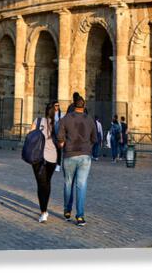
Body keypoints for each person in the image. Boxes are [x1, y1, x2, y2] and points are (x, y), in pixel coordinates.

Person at [57, 95, 97, 226]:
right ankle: (80, 217)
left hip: (69, 154)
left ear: (73, 105)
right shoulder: (90, 120)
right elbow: (95, 139)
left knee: (68, 183)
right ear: (84, 106)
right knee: (81, 185)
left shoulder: (65, 119)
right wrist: (87, 147)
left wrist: (64, 144)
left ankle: (67, 211)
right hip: (85, 155)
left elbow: (60, 140)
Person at [29, 102, 59, 223]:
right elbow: (60, 141)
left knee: (40, 184)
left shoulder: (37, 120)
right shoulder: (56, 124)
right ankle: (44, 209)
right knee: (47, 182)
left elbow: (29, 135)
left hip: (38, 156)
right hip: (52, 158)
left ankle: (44, 212)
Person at [52, 102, 63, 171]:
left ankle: (58, 164)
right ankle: (53, 163)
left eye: (58, 105)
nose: (57, 107)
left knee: (59, 150)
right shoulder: (51, 114)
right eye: (56, 105)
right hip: (52, 134)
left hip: (59, 135)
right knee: (53, 150)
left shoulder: (61, 114)